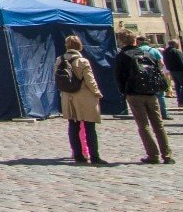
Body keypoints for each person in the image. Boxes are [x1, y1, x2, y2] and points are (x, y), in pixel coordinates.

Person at [114, 29, 173, 165]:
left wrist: (125, 91)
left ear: (121, 41)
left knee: (143, 125)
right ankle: (167, 154)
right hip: (151, 92)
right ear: (135, 40)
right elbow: (157, 72)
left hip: (134, 93)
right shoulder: (145, 53)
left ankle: (153, 155)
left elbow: (118, 77)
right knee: (158, 124)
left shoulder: (122, 56)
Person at [57, 34, 110, 166]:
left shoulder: (59, 60)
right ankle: (94, 156)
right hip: (84, 97)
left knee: (73, 126)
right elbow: (90, 80)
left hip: (68, 96)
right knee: (89, 127)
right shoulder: (83, 61)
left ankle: (78, 155)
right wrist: (97, 93)